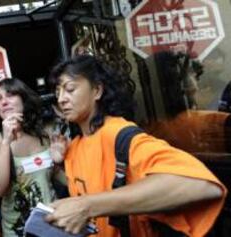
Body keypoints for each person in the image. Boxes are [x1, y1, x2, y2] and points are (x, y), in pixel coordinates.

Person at [45, 55, 226, 236]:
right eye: (58, 91)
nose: (61, 99)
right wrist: (59, 164)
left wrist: (87, 206)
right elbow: (89, 184)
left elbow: (199, 184)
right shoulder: (75, 145)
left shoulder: (119, 136)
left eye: (70, 89)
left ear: (97, 91)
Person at [0, 78, 65, 237]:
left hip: (52, 225)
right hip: (19, 231)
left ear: (23, 99)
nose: (4, 102)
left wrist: (59, 163)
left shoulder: (42, 135)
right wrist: (6, 141)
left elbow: (56, 178)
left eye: (10, 95)